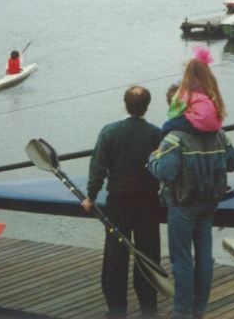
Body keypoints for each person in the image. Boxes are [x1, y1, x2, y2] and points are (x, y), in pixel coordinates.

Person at [148, 47, 234, 319]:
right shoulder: (221, 135)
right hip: (209, 203)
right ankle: (199, 309)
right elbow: (232, 164)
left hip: (183, 204)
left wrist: (151, 160)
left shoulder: (174, 138)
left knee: (182, 260)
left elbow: (167, 172)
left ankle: (182, 312)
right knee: (204, 257)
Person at [81, 86, 162, 318]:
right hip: (148, 202)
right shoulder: (157, 134)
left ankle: (117, 310)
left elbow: (97, 167)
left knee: (115, 256)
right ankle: (148, 309)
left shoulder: (109, 132)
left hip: (118, 202)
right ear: (147, 107)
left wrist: (91, 196)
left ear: (125, 104)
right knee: (148, 254)